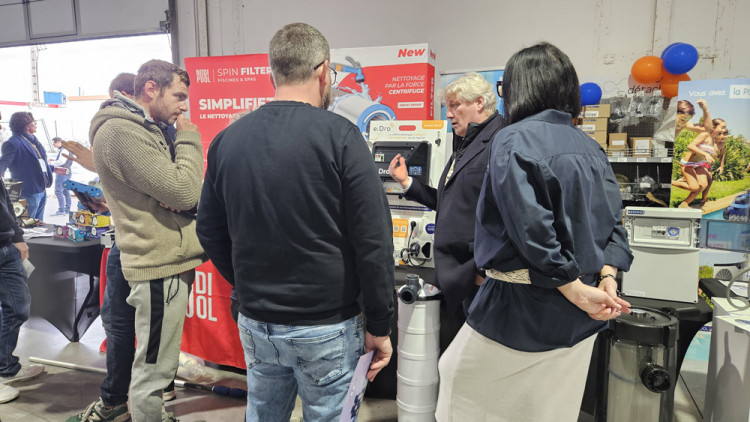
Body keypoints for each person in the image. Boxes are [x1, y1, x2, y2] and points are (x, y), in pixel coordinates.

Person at [196, 22, 394, 422]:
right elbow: (373, 242)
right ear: (324, 72)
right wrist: (380, 323)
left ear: (273, 74)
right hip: (327, 325)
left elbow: (209, 231)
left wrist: (247, 282)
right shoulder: (342, 137)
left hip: (257, 320)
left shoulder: (227, 140)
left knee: (263, 414)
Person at [435, 42, 634, 422]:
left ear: (515, 89)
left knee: (459, 392)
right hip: (582, 311)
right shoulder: (591, 147)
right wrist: (608, 276)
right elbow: (613, 222)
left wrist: (571, 285)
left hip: (522, 308)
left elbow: (532, 226)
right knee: (549, 407)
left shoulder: (512, 138)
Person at [68, 60, 204, 422]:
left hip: (161, 259)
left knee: (157, 362)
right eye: (178, 95)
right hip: (157, 262)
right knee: (155, 367)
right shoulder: (121, 132)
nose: (183, 106)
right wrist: (189, 138)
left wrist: (181, 192)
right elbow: (185, 190)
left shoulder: (146, 130)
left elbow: (181, 191)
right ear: (150, 89)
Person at [388, 72, 505, 344]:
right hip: (456, 276)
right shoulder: (465, 144)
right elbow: (449, 202)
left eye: (455, 106)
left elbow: (504, 211)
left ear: (479, 103)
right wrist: (406, 182)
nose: (449, 114)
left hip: (476, 275)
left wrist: (484, 270)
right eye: (447, 107)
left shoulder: (500, 140)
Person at [0, 178, 45, 403]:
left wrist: (17, 237)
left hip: (6, 246)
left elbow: (5, 200)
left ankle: (6, 366)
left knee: (18, 307)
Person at [0, 112, 53, 221]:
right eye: (34, 122)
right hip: (28, 192)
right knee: (27, 228)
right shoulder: (12, 143)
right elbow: (3, 163)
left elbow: (36, 163)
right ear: (26, 125)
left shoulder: (32, 141)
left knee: (39, 228)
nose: (36, 125)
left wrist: (53, 169)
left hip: (41, 189)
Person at [671, 119, 728, 208]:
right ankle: (670, 182)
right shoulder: (704, 135)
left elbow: (718, 151)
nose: (724, 130)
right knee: (694, 188)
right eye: (722, 127)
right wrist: (705, 154)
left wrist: (714, 161)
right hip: (688, 163)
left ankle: (684, 204)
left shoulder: (713, 139)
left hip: (699, 164)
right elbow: (690, 146)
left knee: (703, 185)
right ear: (714, 127)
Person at [49, 137, 74, 216]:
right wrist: (54, 161)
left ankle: (61, 210)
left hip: (62, 173)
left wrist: (51, 163)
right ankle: (67, 209)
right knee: (66, 191)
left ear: (59, 142)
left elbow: (61, 161)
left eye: (54, 143)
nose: (54, 145)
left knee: (58, 191)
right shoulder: (68, 149)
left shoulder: (64, 150)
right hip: (68, 171)